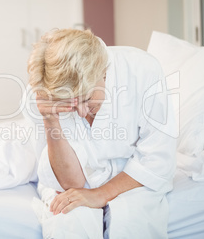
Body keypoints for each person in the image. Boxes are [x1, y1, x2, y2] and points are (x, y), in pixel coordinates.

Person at [24, 29, 177, 238]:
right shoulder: (42, 93)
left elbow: (158, 160)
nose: (81, 112)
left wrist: (99, 195)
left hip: (132, 178)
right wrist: (51, 119)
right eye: (69, 106)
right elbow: (71, 183)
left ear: (103, 73)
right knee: (69, 224)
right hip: (69, 181)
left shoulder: (143, 71)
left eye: (86, 99)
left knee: (135, 224)